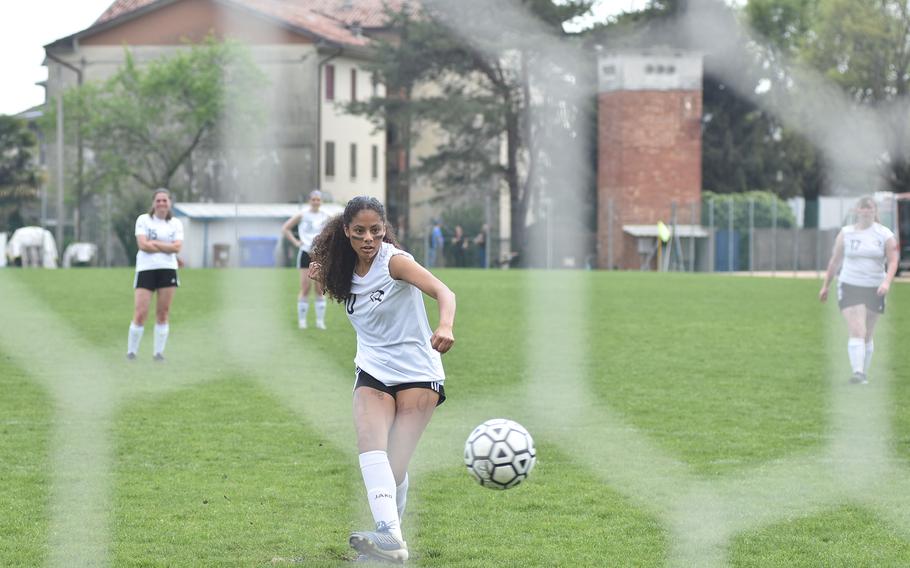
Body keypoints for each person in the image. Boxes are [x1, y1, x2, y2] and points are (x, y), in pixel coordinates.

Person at [309, 196, 455, 563]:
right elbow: (330, 290)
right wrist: (319, 275)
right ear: (346, 232)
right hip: (373, 370)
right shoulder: (341, 268)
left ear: (384, 229)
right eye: (359, 232)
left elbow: (444, 292)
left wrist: (445, 325)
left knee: (394, 468)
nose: (368, 239)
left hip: (419, 372)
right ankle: (390, 538)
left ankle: (390, 542)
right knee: (369, 445)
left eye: (375, 230)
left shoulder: (396, 262)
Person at [819, 196, 899, 384]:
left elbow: (893, 260)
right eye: (862, 208)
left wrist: (886, 282)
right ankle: (858, 372)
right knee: (857, 329)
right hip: (850, 285)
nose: (866, 211)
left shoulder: (885, 234)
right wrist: (825, 286)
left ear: (875, 211)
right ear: (857, 211)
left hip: (875, 288)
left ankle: (863, 372)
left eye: (869, 208)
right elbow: (835, 260)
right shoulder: (846, 233)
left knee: (867, 334)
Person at [127, 188, 183, 361]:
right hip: (146, 269)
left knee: (163, 312)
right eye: (158, 200)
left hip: (168, 269)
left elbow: (177, 248)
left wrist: (156, 243)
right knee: (140, 312)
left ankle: (158, 353)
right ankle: (131, 352)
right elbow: (143, 245)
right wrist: (166, 246)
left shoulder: (175, 223)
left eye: (164, 200)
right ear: (153, 203)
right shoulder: (144, 220)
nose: (161, 204)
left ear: (170, 203)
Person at [282, 190, 331, 329]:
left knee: (319, 288)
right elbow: (285, 228)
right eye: (313, 199)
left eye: (318, 199)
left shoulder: (326, 216)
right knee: (305, 287)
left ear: (321, 201)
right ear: (309, 201)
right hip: (305, 253)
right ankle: (302, 321)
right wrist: (297, 242)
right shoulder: (302, 214)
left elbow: (336, 230)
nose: (316, 202)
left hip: (320, 255)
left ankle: (320, 322)